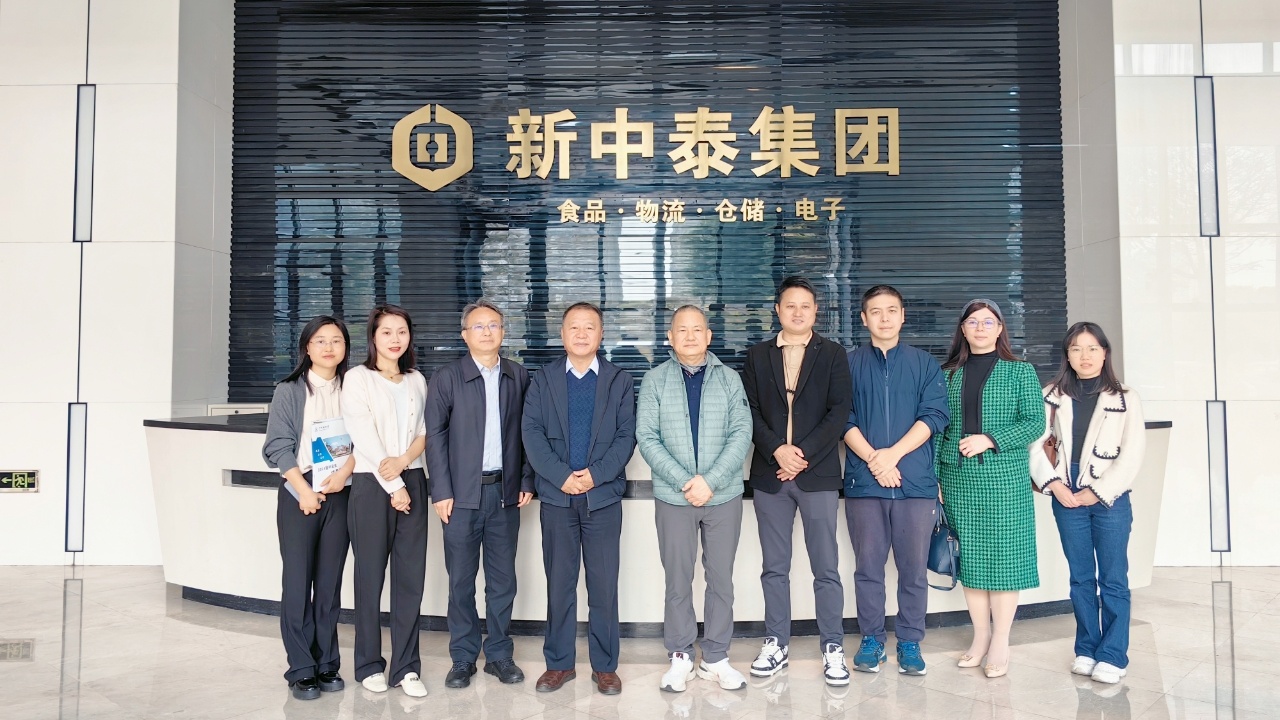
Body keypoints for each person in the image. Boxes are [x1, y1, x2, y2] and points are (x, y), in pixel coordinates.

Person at [741, 276, 852, 686]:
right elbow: (749, 412)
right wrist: (777, 451)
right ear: (777, 310)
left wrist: (800, 456)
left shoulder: (833, 354)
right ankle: (776, 644)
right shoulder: (757, 356)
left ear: (815, 311)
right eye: (790, 305)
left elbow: (839, 413)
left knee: (826, 567)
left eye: (805, 305)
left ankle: (833, 647)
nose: (798, 312)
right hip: (771, 476)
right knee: (774, 567)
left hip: (817, 475)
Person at [636, 305, 753, 693]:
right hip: (674, 497)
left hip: (723, 497)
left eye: (697, 329)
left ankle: (716, 657)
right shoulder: (654, 380)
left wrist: (711, 481)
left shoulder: (730, 379)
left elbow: (742, 433)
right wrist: (686, 481)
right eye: (681, 330)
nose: (689, 336)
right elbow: (647, 437)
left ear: (709, 336)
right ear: (670, 337)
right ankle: (681, 656)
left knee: (721, 579)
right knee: (678, 578)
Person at [522, 302, 636, 695]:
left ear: (601, 334)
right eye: (574, 327)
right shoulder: (544, 380)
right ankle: (559, 664)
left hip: (602, 498)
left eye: (590, 327)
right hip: (557, 499)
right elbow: (531, 433)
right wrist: (561, 477)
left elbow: (626, 435)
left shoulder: (619, 380)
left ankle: (605, 667)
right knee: (560, 584)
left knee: (603, 586)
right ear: (563, 334)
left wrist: (595, 476)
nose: (582, 334)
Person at [425, 300, 533, 689]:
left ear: (503, 332)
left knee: (503, 582)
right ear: (465, 334)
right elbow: (434, 437)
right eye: (478, 326)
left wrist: (526, 480)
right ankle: (463, 657)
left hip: (505, 494)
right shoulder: (447, 377)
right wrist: (441, 490)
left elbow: (529, 433)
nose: (487, 332)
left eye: (493, 325)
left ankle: (499, 654)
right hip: (460, 497)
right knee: (461, 581)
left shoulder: (518, 375)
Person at [1030, 322, 1146, 685]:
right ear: (1067, 355)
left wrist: (1097, 491)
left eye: (1093, 348)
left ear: (1105, 353)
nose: (1085, 356)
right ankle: (1086, 649)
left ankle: (1113, 655)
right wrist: (1055, 485)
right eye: (1077, 349)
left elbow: (1132, 455)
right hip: (1065, 491)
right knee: (1080, 577)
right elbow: (1034, 447)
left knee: (1113, 578)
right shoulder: (1050, 395)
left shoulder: (1125, 397)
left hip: (1110, 496)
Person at [842, 286, 949, 676]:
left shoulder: (924, 364)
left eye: (891, 310)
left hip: (914, 483)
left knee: (913, 569)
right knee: (868, 568)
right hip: (865, 484)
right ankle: (872, 640)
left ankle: (909, 641)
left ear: (903, 316)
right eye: (876, 311)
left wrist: (892, 455)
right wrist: (876, 460)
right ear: (864, 318)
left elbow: (934, 416)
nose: (884, 318)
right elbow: (842, 419)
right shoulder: (847, 364)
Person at [936, 299, 1046, 679]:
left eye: (988, 322)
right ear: (962, 329)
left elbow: (1035, 423)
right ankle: (980, 636)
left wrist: (991, 439)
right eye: (973, 322)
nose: (980, 328)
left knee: (1003, 558)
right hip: (957, 478)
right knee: (970, 558)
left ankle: (1001, 640)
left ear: (1000, 329)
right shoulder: (947, 374)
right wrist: (934, 477)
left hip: (1003, 479)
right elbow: (937, 428)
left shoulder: (1020, 371)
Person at [262, 315, 356, 700]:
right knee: (298, 582)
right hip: (299, 492)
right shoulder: (289, 391)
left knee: (330, 584)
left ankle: (327, 662)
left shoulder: (354, 388)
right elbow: (277, 446)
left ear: (346, 347)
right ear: (306, 347)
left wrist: (344, 474)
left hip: (342, 491)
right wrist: (303, 490)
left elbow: (365, 439)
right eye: (320, 340)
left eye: (336, 340)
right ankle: (301, 667)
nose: (329, 347)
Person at [342, 305, 429, 698]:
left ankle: (406, 668)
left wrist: (404, 464)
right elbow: (362, 435)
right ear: (373, 337)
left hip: (413, 478)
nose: (395, 339)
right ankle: (368, 665)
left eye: (402, 332)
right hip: (370, 483)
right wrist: (394, 485)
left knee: (410, 579)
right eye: (387, 332)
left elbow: (424, 432)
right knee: (369, 576)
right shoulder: (357, 378)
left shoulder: (417, 379)